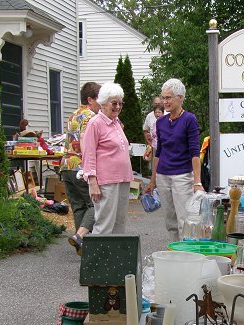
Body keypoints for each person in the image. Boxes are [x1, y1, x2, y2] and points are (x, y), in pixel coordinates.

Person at [145, 78, 203, 241]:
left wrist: (197, 182)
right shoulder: (160, 122)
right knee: (170, 222)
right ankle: (173, 251)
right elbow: (158, 152)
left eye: (168, 98)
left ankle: (186, 253)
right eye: (163, 98)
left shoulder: (189, 119)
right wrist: (152, 181)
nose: (165, 102)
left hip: (182, 176)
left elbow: (195, 153)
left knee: (184, 220)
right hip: (163, 176)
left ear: (180, 98)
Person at [81, 82, 133, 234]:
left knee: (119, 224)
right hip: (106, 181)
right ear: (103, 103)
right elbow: (88, 154)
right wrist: (92, 183)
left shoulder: (116, 122)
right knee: (104, 224)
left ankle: (117, 250)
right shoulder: (95, 123)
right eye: (114, 103)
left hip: (123, 179)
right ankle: (99, 251)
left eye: (120, 103)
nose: (118, 107)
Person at [60, 82, 101, 255]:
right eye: (99, 99)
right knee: (96, 204)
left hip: (66, 166)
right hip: (80, 166)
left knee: (78, 206)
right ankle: (80, 237)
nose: (101, 103)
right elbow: (87, 144)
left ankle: (81, 246)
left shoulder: (73, 115)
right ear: (90, 99)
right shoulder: (91, 117)